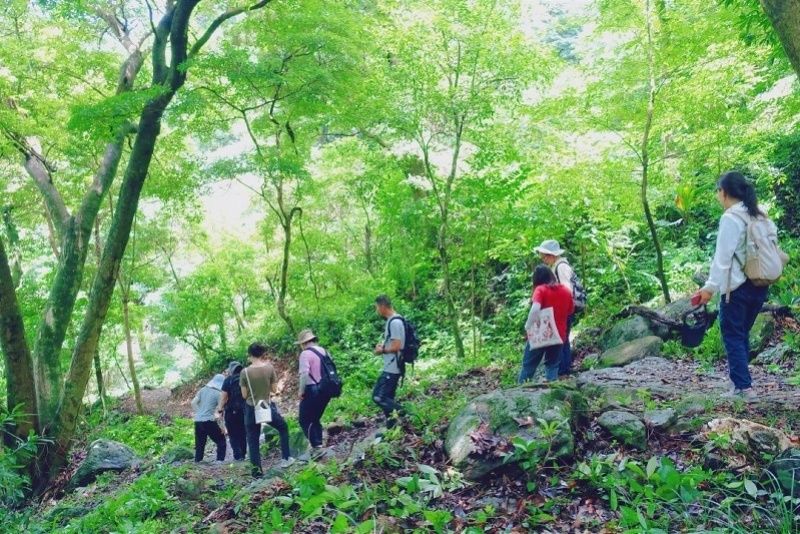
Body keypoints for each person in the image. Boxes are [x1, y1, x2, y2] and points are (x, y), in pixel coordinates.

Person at [691, 171, 772, 401]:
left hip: (736, 288)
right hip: (760, 283)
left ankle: (743, 388)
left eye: (718, 192)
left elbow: (722, 258)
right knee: (741, 333)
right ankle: (739, 381)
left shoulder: (730, 218)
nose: (718, 196)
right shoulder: (760, 214)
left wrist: (709, 288)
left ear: (723, 192)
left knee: (733, 334)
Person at [240, 343, 295, 477]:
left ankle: (256, 474)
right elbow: (274, 390)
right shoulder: (269, 368)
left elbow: (244, 395)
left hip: (250, 409)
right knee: (282, 427)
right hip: (265, 406)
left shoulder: (244, 372)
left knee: (253, 442)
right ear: (263, 354)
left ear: (249, 355)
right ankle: (286, 459)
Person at [518, 264, 575, 383]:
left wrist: (528, 326)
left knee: (529, 365)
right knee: (552, 365)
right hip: (559, 335)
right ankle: (551, 391)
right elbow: (570, 311)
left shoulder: (541, 290)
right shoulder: (566, 291)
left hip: (541, 334)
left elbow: (535, 309)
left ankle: (520, 390)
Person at [534, 239, 578, 378]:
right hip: (562, 309)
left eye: (544, 255)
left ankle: (564, 370)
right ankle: (563, 369)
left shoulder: (561, 267)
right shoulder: (556, 266)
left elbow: (566, 291)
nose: (543, 259)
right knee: (561, 338)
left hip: (564, 309)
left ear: (551, 255)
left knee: (562, 339)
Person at [296, 329, 332, 455]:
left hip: (312, 389)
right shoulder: (324, 351)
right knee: (315, 418)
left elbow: (304, 374)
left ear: (304, 343)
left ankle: (316, 447)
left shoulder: (305, 354)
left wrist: (301, 390)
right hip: (326, 389)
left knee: (304, 420)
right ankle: (319, 445)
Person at [373, 295, 406, 429]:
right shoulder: (393, 321)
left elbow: (397, 346)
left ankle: (405, 413)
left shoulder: (395, 322)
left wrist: (383, 350)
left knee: (378, 397)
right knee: (388, 398)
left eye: (377, 307)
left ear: (382, 307)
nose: (377, 311)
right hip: (393, 365)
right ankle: (391, 428)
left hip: (392, 367)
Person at [191, 374, 227, 463]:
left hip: (198, 420)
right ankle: (219, 460)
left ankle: (198, 461)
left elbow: (193, 403)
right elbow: (220, 410)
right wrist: (223, 426)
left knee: (200, 443)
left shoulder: (203, 390)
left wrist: (199, 412)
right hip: (208, 420)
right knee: (221, 440)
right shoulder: (218, 394)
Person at [217, 361, 247, 461]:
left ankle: (237, 456)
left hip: (230, 411)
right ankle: (243, 454)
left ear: (231, 370)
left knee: (233, 434)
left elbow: (223, 397)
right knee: (243, 433)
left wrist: (220, 409)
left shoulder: (228, 380)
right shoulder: (245, 379)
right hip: (244, 410)